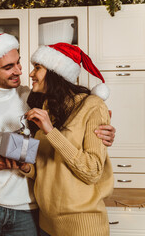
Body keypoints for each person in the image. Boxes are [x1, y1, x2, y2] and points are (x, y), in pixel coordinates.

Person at [0, 33, 115, 236]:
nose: (20, 71)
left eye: (19, 63)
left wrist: (105, 130)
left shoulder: (34, 98)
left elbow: (78, 118)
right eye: (8, 67)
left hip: (28, 209)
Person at [26, 42, 114, 236]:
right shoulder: (48, 107)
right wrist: (27, 169)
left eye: (37, 68)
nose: (31, 74)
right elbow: (51, 169)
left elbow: (92, 171)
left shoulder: (92, 106)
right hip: (47, 225)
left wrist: (51, 131)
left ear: (56, 72)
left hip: (82, 226)